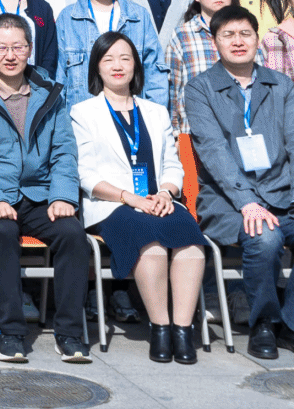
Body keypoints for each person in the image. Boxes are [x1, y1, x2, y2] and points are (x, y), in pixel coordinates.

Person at [183, 5, 294, 361]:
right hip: (228, 202)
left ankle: (293, 326)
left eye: (245, 34)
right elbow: (214, 152)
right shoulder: (200, 88)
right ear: (215, 42)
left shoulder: (280, 84)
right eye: (228, 35)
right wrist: (247, 202)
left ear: (258, 39)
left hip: (283, 196)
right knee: (264, 239)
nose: (238, 41)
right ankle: (264, 324)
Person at [0, 15, 91, 364]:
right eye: (1, 47)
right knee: (2, 232)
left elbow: (64, 151)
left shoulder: (50, 92)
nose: (10, 55)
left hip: (40, 194)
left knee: (73, 234)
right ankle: (11, 332)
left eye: (18, 47)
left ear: (30, 49)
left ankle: (69, 333)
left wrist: (62, 195)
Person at [70, 33, 206, 365]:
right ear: (97, 67)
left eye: (125, 58)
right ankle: (159, 327)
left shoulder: (156, 112)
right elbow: (84, 173)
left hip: (159, 200)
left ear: (136, 66)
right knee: (152, 244)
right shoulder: (83, 112)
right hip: (112, 205)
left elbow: (173, 164)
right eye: (108, 59)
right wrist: (129, 198)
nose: (117, 65)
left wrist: (166, 193)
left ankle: (182, 330)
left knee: (190, 240)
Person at [57, 0, 163, 106]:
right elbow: (59, 77)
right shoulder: (67, 18)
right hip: (81, 117)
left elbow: (154, 72)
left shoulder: (139, 17)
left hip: (132, 114)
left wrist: (154, 115)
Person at [165, 0, 242, 126]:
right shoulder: (183, 35)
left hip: (241, 127)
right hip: (194, 129)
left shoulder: (244, 32)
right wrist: (175, 131)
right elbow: (172, 88)